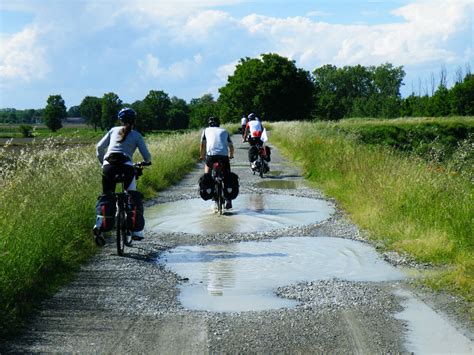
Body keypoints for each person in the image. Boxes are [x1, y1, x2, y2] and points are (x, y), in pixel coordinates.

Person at [95, 107, 152, 240]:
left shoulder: (113, 130)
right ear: (134, 121)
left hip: (109, 166)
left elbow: (99, 148)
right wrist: (145, 162)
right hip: (126, 167)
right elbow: (147, 157)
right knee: (131, 195)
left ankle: (99, 227)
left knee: (106, 197)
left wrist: (102, 163)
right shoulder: (136, 135)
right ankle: (136, 231)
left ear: (120, 120)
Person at [199, 116, 234, 209]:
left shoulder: (206, 130)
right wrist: (231, 155)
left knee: (207, 171)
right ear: (219, 124)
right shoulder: (224, 131)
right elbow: (230, 146)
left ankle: (207, 183)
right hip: (223, 157)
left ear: (209, 124)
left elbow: (202, 145)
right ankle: (229, 200)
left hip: (211, 156)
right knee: (227, 174)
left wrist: (202, 155)